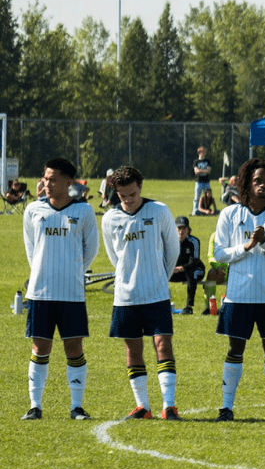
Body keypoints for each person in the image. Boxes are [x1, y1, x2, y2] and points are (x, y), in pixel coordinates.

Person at [212, 158, 265, 422]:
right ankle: (226, 408)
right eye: (258, 180)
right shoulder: (229, 214)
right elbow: (218, 254)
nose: (262, 186)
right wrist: (246, 247)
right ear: (246, 181)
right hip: (238, 296)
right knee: (235, 350)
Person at [100, 166, 182, 420]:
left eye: (132, 194)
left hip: (156, 293)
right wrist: (129, 276)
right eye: (123, 196)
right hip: (125, 296)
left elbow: (172, 250)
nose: (128, 200)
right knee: (132, 349)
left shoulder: (159, 211)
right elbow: (115, 257)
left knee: (162, 344)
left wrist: (159, 277)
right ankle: (142, 407)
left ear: (141, 187)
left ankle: (169, 406)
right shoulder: (109, 219)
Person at [20, 157, 99, 420]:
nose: (46, 183)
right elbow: (32, 249)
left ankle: (77, 406)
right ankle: (35, 406)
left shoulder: (84, 212)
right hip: (41, 292)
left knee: (73, 350)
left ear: (69, 182)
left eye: (52, 179)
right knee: (40, 349)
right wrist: (42, 272)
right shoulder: (33, 210)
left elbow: (91, 250)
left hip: (71, 293)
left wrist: (72, 271)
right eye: (45, 178)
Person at [170, 216, 206, 314]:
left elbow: (194, 262)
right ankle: (163, 304)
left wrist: (180, 268)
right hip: (177, 271)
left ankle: (188, 307)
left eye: (184, 228)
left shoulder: (194, 241)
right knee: (160, 273)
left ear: (188, 230)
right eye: (179, 228)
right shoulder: (169, 242)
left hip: (196, 270)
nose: (181, 231)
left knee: (192, 273)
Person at [192, 145, 212, 215]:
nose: (205, 152)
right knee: (197, 197)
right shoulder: (196, 161)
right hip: (198, 182)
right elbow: (196, 171)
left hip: (206, 182)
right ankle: (195, 211)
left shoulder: (208, 161)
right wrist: (204, 170)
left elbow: (208, 171)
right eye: (203, 151)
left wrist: (200, 170)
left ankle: (206, 210)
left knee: (208, 197)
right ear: (200, 152)